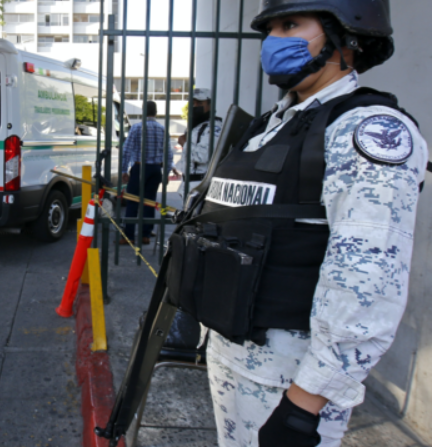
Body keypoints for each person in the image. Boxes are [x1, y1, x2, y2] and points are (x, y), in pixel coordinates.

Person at [170, 1, 428, 446]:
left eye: (291, 25)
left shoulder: (367, 129)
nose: (273, 41)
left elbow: (366, 282)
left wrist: (306, 401)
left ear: (344, 34)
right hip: (231, 351)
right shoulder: (271, 125)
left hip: (289, 376)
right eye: (270, 29)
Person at [119, 101, 170, 245]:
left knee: (133, 200)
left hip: (139, 167)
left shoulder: (136, 128)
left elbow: (126, 151)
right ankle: (145, 235)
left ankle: (129, 235)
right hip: (155, 169)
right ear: (156, 112)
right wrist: (166, 172)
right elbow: (169, 153)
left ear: (143, 111)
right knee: (149, 201)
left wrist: (124, 170)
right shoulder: (162, 129)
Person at [174, 87, 222, 203]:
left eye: (199, 103)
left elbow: (203, 156)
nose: (195, 106)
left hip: (200, 184)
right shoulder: (196, 126)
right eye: (193, 103)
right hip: (188, 184)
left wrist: (184, 143)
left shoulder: (214, 127)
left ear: (209, 105)